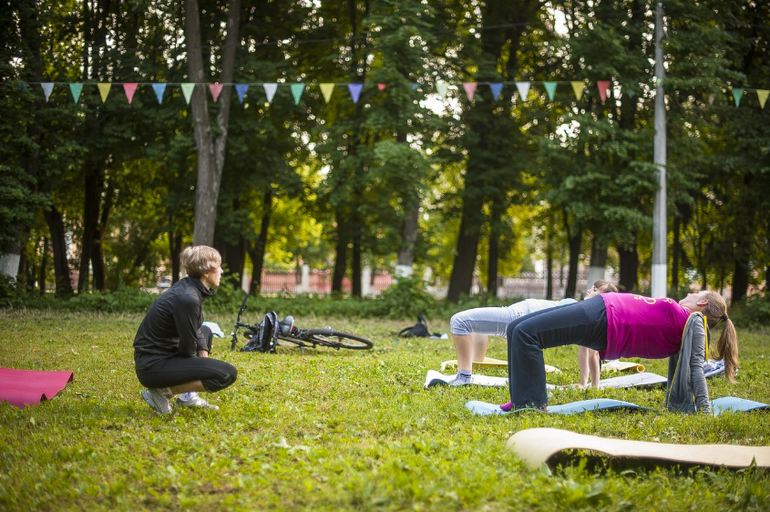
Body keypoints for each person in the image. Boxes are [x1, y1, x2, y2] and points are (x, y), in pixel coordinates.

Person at [502, 290, 738, 411]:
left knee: (527, 334)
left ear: (702, 303)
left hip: (604, 320)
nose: (689, 294)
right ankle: (521, 399)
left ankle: (532, 404)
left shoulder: (693, 322)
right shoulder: (687, 320)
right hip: (602, 309)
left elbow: (696, 368)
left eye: (696, 294)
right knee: (515, 328)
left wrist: (704, 409)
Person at [445, 280, 618, 386]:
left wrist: (593, 385)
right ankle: (471, 367)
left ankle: (464, 377)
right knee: (473, 324)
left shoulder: (582, 314)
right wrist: (585, 383)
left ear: (603, 300)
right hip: (519, 315)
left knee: (460, 321)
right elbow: (586, 350)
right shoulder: (582, 312)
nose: (590, 290)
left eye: (595, 290)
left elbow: (592, 353)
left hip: (519, 317)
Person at [133, 246, 238, 414]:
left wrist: (202, 348)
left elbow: (195, 326)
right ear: (206, 271)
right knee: (227, 373)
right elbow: (188, 349)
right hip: (152, 365)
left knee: (205, 331)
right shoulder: (187, 298)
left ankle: (188, 398)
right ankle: (162, 392)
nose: (222, 271)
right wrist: (198, 366)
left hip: (158, 356)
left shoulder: (189, 288)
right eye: (218, 266)